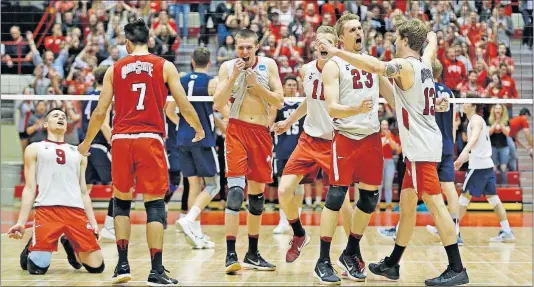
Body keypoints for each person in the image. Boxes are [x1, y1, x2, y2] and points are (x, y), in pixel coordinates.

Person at [318, 17, 469, 285]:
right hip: (421, 146)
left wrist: (338, 51)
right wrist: (430, 38)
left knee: (435, 205)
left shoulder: (406, 66)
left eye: (397, 38)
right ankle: (393, 263)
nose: (393, 41)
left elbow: (376, 66)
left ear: (406, 42)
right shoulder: (425, 64)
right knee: (408, 206)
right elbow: (431, 43)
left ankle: (457, 267)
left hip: (421, 148)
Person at [78, 18, 204, 286]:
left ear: (126, 43)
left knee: (121, 202)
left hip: (121, 139)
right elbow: (183, 102)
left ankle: (122, 265)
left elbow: (101, 112)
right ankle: (156, 270)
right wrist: (198, 127)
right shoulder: (165, 66)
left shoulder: (114, 68)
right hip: (149, 139)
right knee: (155, 205)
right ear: (149, 40)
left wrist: (86, 142)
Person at [314, 14, 394, 284]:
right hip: (346, 138)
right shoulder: (333, 65)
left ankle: (350, 252)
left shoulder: (370, 63)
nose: (359, 32)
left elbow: (393, 97)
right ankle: (322, 260)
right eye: (352, 29)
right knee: (336, 197)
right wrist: (355, 109)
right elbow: (332, 107)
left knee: (370, 200)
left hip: (371, 138)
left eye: (360, 28)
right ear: (341, 38)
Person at [272, 26, 354, 267]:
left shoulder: (343, 71)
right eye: (319, 42)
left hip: (335, 142)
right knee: (284, 190)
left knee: (343, 202)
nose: (322, 45)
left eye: (327, 41)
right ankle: (299, 233)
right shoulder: (306, 70)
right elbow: (309, 102)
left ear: (335, 45)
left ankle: (351, 253)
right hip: (308, 139)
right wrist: (288, 121)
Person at [213, 28, 284, 274]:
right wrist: (233, 78)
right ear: (236, 48)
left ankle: (252, 253)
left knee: (257, 196)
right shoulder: (226, 68)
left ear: (256, 47)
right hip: (236, 130)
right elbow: (217, 103)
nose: (244, 52)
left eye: (248, 48)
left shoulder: (269, 65)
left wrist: (257, 86)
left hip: (261, 134)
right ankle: (230, 252)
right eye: (240, 47)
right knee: (235, 191)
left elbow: (279, 101)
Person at [8, 108, 105, 275]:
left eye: (63, 117)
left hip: (76, 212)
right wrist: (22, 223)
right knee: (37, 269)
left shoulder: (79, 153)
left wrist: (94, 224)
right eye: (55, 116)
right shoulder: (34, 148)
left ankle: (69, 242)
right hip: (47, 211)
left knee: (97, 268)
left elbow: (83, 192)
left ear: (67, 125)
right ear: (46, 124)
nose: (60, 117)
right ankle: (32, 245)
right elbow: (30, 188)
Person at [378, 59, 463, 245]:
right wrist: (452, 143)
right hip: (446, 143)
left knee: (416, 193)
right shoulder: (448, 92)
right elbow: (454, 123)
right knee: (447, 188)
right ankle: (455, 229)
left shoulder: (421, 89)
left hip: (426, 144)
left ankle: (400, 231)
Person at [172, 47, 220, 249]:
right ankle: (189, 220)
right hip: (203, 139)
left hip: (182, 138)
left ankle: (196, 232)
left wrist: (182, 125)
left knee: (193, 185)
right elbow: (218, 107)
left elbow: (169, 111)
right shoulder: (211, 82)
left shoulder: (181, 81)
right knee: (214, 184)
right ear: (209, 63)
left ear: (192, 61)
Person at [453, 95, 515, 243]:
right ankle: (506, 230)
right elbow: (478, 149)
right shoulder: (477, 121)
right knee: (494, 199)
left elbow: (473, 139)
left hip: (478, 167)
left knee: (463, 200)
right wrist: (464, 158)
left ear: (474, 106)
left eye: (466, 102)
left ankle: (453, 233)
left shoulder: (475, 120)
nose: (463, 104)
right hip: (486, 164)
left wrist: (463, 153)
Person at [81, 66, 115, 241]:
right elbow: (103, 124)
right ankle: (109, 225)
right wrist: (114, 143)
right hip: (100, 146)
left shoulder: (87, 95)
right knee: (122, 184)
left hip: (86, 148)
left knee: (84, 189)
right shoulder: (105, 97)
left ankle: (81, 224)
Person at [271, 75, 305, 234]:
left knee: (299, 187)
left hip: (300, 152)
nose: (291, 87)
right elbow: (270, 125)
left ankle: (297, 220)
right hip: (282, 151)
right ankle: (283, 221)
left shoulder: (302, 104)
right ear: (284, 87)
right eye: (289, 84)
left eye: (294, 85)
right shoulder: (278, 104)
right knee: (282, 188)